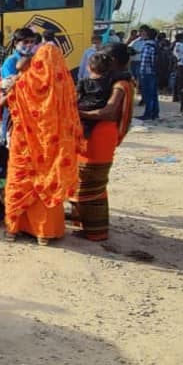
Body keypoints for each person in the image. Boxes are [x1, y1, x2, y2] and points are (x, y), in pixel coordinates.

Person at [4, 44, 82, 246]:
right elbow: (72, 115)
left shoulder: (23, 82)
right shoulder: (64, 84)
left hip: (24, 143)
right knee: (49, 181)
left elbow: (7, 102)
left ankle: (14, 229)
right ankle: (44, 233)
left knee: (20, 180)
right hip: (52, 146)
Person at [68, 43, 137, 241]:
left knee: (89, 182)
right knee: (94, 186)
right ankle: (92, 228)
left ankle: (95, 231)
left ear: (112, 62)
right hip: (94, 135)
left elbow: (108, 112)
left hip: (100, 136)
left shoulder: (120, 85)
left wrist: (78, 113)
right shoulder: (115, 81)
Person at [0, 28, 39, 145]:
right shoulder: (11, 61)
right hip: (13, 107)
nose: (30, 45)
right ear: (16, 43)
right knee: (10, 142)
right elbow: (8, 86)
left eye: (32, 42)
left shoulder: (35, 58)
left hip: (30, 107)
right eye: (25, 42)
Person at [77, 52, 115, 139]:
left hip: (84, 108)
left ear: (89, 68)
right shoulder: (109, 80)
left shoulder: (83, 81)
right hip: (100, 107)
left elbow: (77, 96)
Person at [136, 27, 159, 121]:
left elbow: (148, 61)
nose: (141, 34)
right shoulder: (155, 45)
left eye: (143, 32)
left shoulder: (147, 46)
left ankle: (148, 114)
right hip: (153, 73)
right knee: (153, 94)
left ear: (147, 34)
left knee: (147, 94)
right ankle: (155, 113)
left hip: (147, 73)